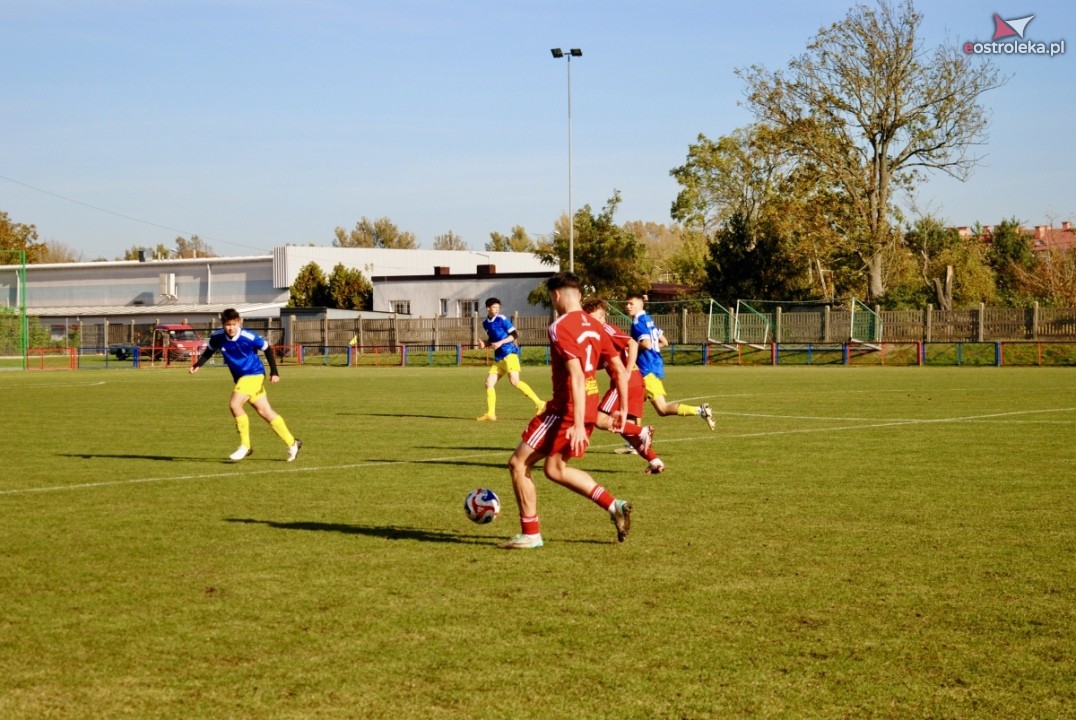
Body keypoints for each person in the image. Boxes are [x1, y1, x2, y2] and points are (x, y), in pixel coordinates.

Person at [500, 272, 633, 550]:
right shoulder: (597, 327)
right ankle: (614, 505)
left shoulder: (560, 326)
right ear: (580, 295)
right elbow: (620, 370)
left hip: (565, 410)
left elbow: (576, 374)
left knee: (519, 463)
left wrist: (573, 421)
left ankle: (531, 533)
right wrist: (621, 408)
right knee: (555, 468)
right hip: (586, 408)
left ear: (556, 296)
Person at [189, 308, 302, 462]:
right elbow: (209, 350)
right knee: (265, 411)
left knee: (234, 405)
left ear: (239, 322)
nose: (231, 328)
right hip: (241, 378)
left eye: (234, 324)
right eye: (228, 325)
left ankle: (246, 446)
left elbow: (267, 349)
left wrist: (274, 372)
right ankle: (292, 443)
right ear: (223, 324)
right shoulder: (217, 337)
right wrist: (198, 365)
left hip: (254, 374)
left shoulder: (248, 336)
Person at [583, 298, 666, 475]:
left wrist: (626, 371)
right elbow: (606, 358)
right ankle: (655, 461)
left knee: (598, 419)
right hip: (635, 382)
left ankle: (643, 430)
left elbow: (633, 343)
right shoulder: (596, 331)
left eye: (598, 315)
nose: (597, 319)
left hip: (626, 381)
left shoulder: (604, 328)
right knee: (625, 430)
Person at [625, 292, 716, 431]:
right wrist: (652, 349)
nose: (627, 306)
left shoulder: (638, 322)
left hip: (646, 369)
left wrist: (629, 347)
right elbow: (664, 342)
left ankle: (700, 411)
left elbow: (647, 344)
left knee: (662, 409)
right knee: (635, 404)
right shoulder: (648, 320)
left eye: (631, 303)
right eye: (626, 303)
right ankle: (635, 440)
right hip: (653, 366)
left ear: (640, 304)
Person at [476, 297, 545, 421]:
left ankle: (539, 403)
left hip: (509, 354)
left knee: (515, 382)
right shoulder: (485, 323)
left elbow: (514, 335)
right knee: (488, 384)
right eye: (494, 307)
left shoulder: (502, 319)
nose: (497, 310)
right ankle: (491, 414)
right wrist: (485, 344)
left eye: (498, 307)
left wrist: (501, 342)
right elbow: (493, 341)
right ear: (488, 308)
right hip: (499, 358)